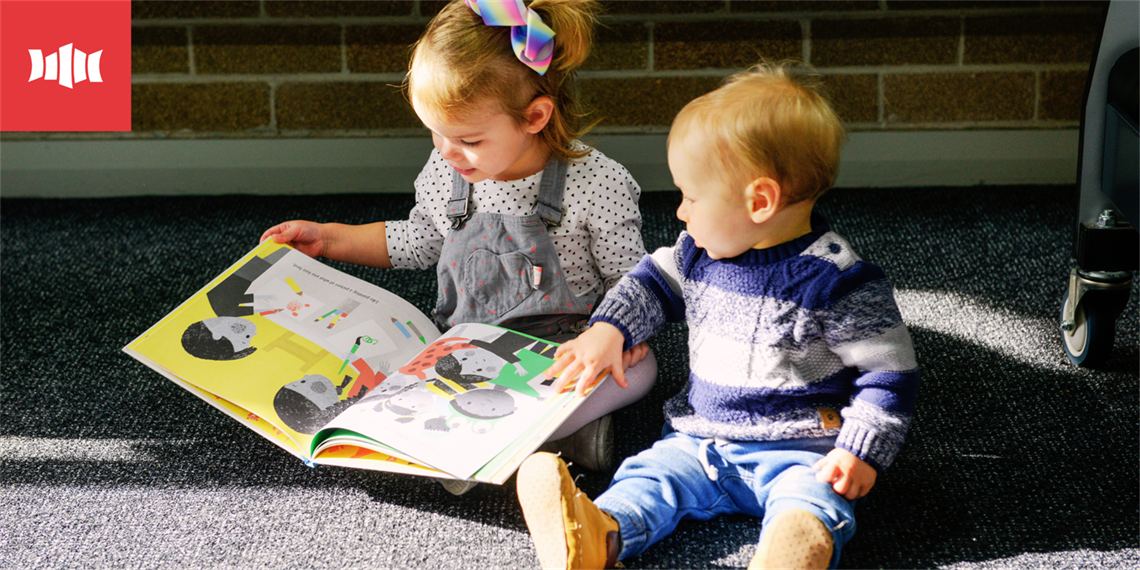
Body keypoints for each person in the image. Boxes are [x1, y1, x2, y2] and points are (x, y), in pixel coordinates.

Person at [516, 62, 921, 569]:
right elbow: (649, 283)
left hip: (800, 448)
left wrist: (861, 450)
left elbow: (889, 373)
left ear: (759, 201)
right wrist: (607, 328)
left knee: (812, 501)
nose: (681, 212)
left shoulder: (838, 281)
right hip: (698, 439)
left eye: (690, 196)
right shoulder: (698, 252)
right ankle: (599, 534)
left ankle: (794, 547)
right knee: (649, 477)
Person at [259, 0, 656, 491]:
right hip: (467, 348)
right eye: (435, 133)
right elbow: (416, 240)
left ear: (535, 116)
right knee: (385, 367)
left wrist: (615, 334)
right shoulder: (449, 170)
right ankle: (555, 439)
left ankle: (506, 443)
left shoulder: (598, 184)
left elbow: (631, 280)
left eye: (466, 138)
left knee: (639, 373)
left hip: (564, 346)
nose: (446, 151)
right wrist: (330, 237)